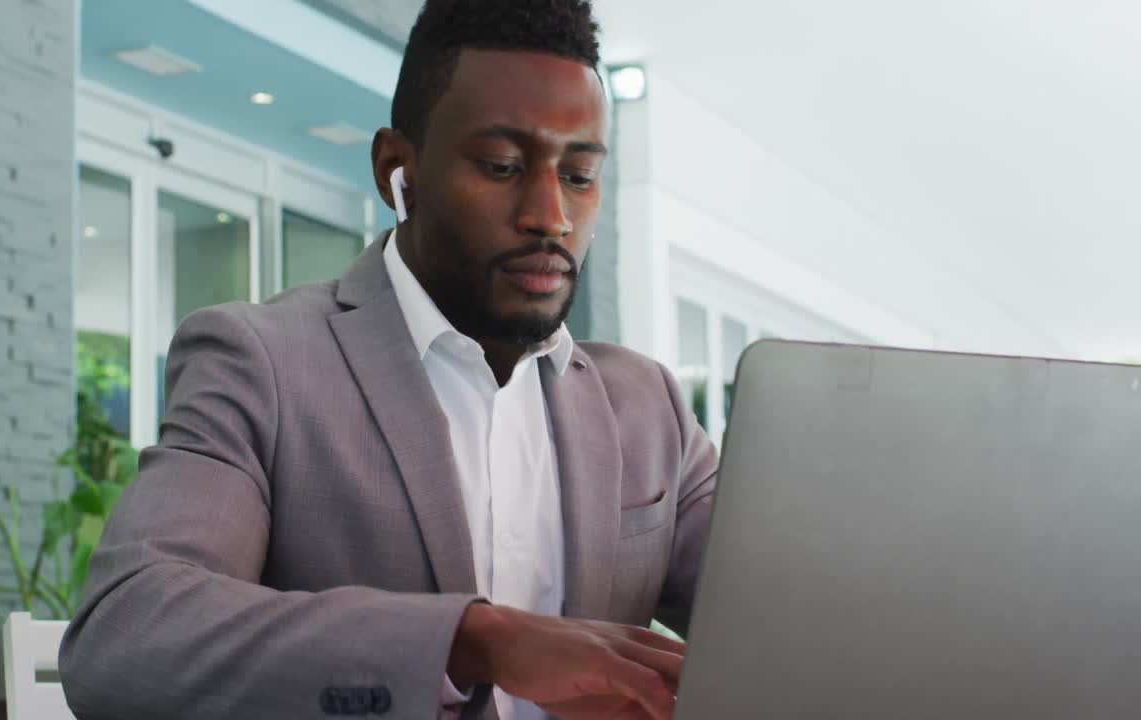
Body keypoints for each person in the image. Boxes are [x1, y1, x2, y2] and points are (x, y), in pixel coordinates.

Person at [58, 1, 718, 718]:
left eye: (580, 176)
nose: (549, 214)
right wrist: (472, 641)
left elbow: (791, 612)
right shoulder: (264, 362)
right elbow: (124, 634)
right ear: (395, 170)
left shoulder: (648, 407)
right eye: (502, 166)